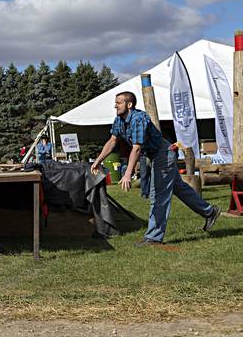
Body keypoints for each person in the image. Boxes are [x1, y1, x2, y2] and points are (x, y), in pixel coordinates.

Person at [91, 91, 220, 245]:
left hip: (163, 155)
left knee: (158, 195)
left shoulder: (139, 119)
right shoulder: (119, 120)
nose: (115, 105)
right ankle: (210, 211)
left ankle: (154, 237)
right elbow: (112, 141)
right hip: (156, 155)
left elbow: (137, 148)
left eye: (118, 102)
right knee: (180, 189)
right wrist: (98, 160)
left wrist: (127, 173)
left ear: (129, 105)